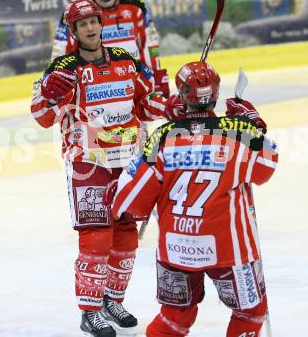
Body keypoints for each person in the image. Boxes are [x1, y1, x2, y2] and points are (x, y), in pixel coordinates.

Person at [30, 0, 180, 337]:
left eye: (93, 22)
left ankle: (113, 300)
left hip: (127, 159)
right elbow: (41, 117)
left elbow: (145, 103)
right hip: (88, 163)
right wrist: (49, 97)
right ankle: (90, 310)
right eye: (82, 25)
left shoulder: (127, 61)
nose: (90, 28)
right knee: (96, 238)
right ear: (73, 31)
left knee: (126, 236)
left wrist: (172, 106)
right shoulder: (62, 68)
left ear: (101, 24)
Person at [106, 61, 278, 336]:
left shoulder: (163, 136)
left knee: (174, 317)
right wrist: (253, 123)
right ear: (217, 93)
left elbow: (128, 200)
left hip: (176, 249)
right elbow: (267, 165)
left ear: (181, 95)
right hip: (228, 250)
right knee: (251, 312)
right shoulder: (237, 133)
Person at [51, 0, 170, 99]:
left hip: (132, 77)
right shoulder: (76, 11)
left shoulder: (135, 3)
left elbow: (149, 43)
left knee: (138, 120)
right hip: (95, 85)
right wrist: (57, 77)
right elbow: (61, 48)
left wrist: (156, 74)